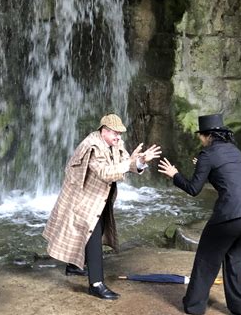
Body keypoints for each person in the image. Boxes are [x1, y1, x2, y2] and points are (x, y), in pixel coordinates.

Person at [158, 113, 241, 315]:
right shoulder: (234, 151)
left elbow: (193, 188)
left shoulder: (208, 154)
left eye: (201, 136)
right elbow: (229, 175)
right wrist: (202, 163)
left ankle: (194, 306)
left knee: (207, 258)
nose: (200, 140)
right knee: (236, 260)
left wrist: (174, 175)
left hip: (232, 216)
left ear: (207, 136)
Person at [43, 113, 161, 300]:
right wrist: (131, 162)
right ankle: (96, 284)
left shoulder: (114, 143)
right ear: (104, 131)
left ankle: (74, 266)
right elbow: (106, 172)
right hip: (82, 198)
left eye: (120, 134)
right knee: (93, 235)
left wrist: (139, 162)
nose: (119, 137)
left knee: (92, 232)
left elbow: (124, 165)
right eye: (115, 133)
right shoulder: (91, 147)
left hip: (100, 197)